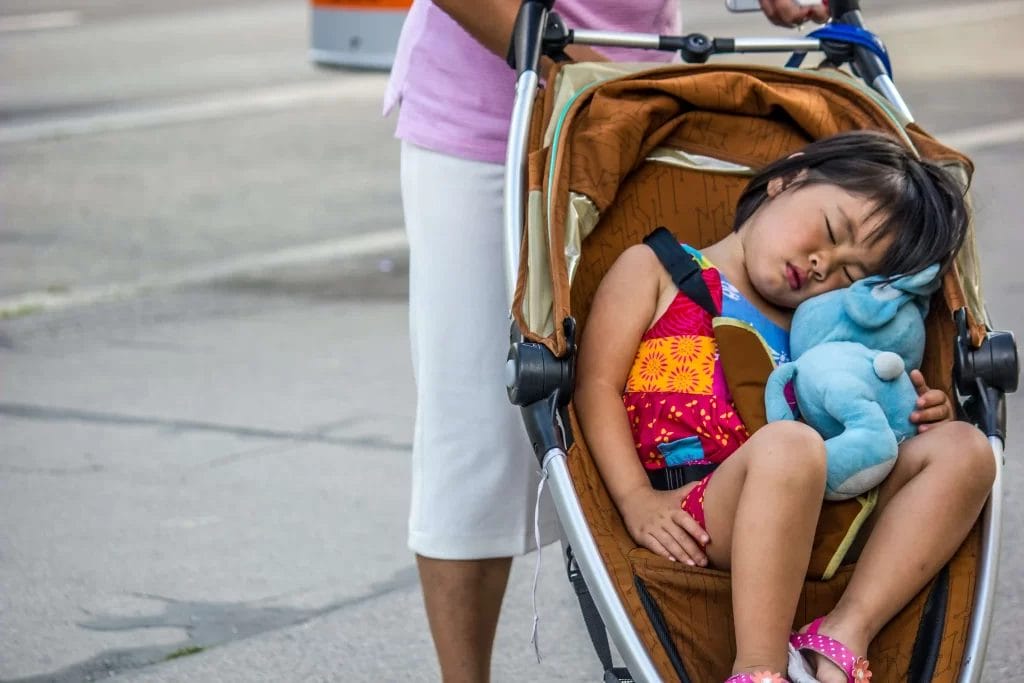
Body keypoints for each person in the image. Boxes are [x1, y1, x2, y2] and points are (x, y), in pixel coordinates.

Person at [384, 1, 829, 680]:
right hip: (494, 115)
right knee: (474, 438)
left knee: (651, 389)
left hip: (634, 108)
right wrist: (569, 65)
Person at [573, 131, 995, 683]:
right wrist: (635, 499)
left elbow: (860, 415)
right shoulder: (658, 270)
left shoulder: (823, 330)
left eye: (852, 275)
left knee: (967, 449)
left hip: (823, 501)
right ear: (787, 179)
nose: (824, 266)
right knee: (791, 445)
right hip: (706, 504)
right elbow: (594, 386)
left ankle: (846, 629)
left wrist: (910, 418)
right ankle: (759, 669)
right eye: (831, 233)